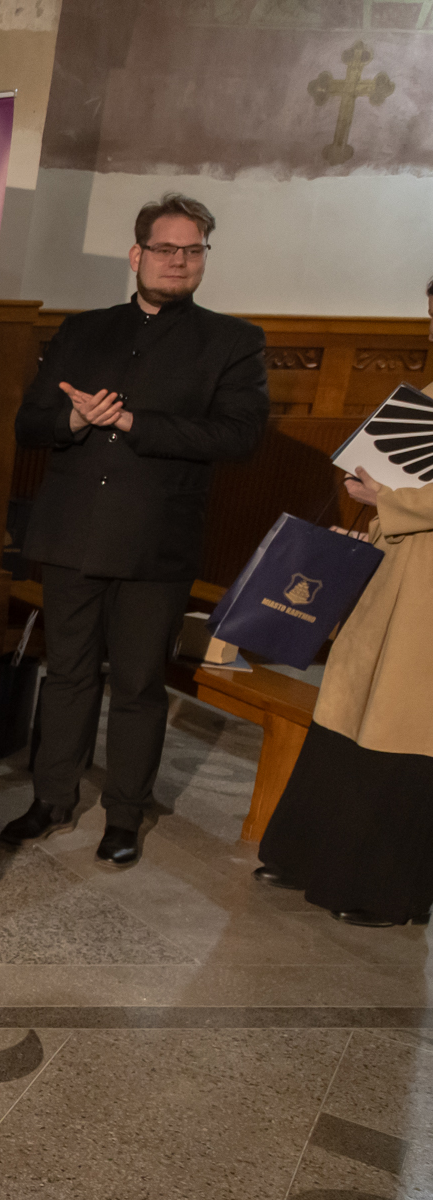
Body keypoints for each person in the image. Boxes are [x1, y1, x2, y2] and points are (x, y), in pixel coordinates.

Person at [2, 193, 267, 866]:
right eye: (165, 248)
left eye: (192, 250)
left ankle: (124, 814)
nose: (179, 261)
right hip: (72, 533)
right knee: (66, 675)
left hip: (156, 541)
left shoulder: (233, 342)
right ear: (137, 254)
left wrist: (131, 422)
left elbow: (238, 437)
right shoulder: (81, 330)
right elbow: (29, 424)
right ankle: (50, 799)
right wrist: (74, 420)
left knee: (140, 685)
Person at [253, 282, 433, 928]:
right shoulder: (429, 395)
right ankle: (308, 857)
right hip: (394, 571)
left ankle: (386, 891)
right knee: (347, 714)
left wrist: (389, 499)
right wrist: (371, 512)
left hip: (427, 595)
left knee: (403, 730)